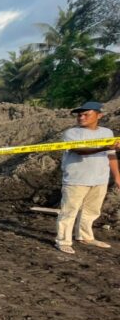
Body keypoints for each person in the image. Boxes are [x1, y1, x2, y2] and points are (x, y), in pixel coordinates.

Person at [55, 101, 120, 254]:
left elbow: (111, 156)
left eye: (86, 114)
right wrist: (105, 147)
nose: (81, 117)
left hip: (100, 179)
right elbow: (80, 150)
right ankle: (63, 240)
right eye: (79, 114)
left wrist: (117, 176)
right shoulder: (71, 133)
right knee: (69, 211)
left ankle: (85, 236)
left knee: (91, 211)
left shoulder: (107, 133)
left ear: (99, 115)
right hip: (76, 179)